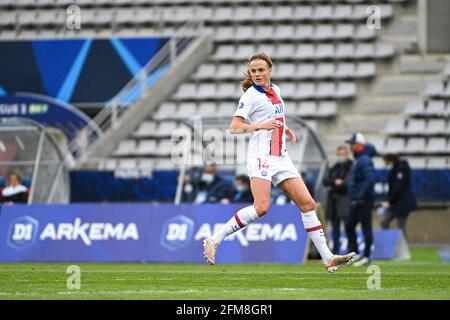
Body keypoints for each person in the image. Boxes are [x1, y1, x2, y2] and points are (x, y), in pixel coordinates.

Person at [202, 52, 355, 272]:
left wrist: (286, 129)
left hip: (281, 157)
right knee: (261, 207)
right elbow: (234, 127)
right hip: (261, 157)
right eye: (253, 71)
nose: (257, 74)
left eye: (261, 70)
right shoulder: (250, 96)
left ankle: (328, 258)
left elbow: (276, 117)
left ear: (270, 70)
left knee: (308, 204)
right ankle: (215, 239)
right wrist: (260, 126)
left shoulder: (276, 91)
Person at [344, 133, 376, 267]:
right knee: (349, 225)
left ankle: (367, 256)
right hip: (357, 199)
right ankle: (355, 254)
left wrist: (361, 196)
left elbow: (370, 179)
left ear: (359, 145)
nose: (350, 146)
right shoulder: (359, 159)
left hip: (363, 200)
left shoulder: (365, 160)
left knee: (366, 227)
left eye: (352, 143)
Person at [323, 146, 353, 254]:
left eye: (343, 154)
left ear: (347, 154)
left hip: (345, 201)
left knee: (348, 226)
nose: (341, 157)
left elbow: (347, 184)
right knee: (335, 228)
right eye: (339, 154)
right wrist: (335, 183)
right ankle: (335, 251)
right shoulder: (335, 167)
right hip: (333, 202)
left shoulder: (351, 166)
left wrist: (334, 185)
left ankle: (351, 250)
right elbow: (325, 180)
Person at [380, 154, 417, 240]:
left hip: (403, 203)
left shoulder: (401, 169)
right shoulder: (395, 169)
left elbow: (398, 187)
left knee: (401, 226)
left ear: (390, 160)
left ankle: (404, 249)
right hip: (395, 203)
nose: (385, 164)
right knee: (384, 221)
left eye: (386, 161)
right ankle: (388, 242)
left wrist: (389, 201)